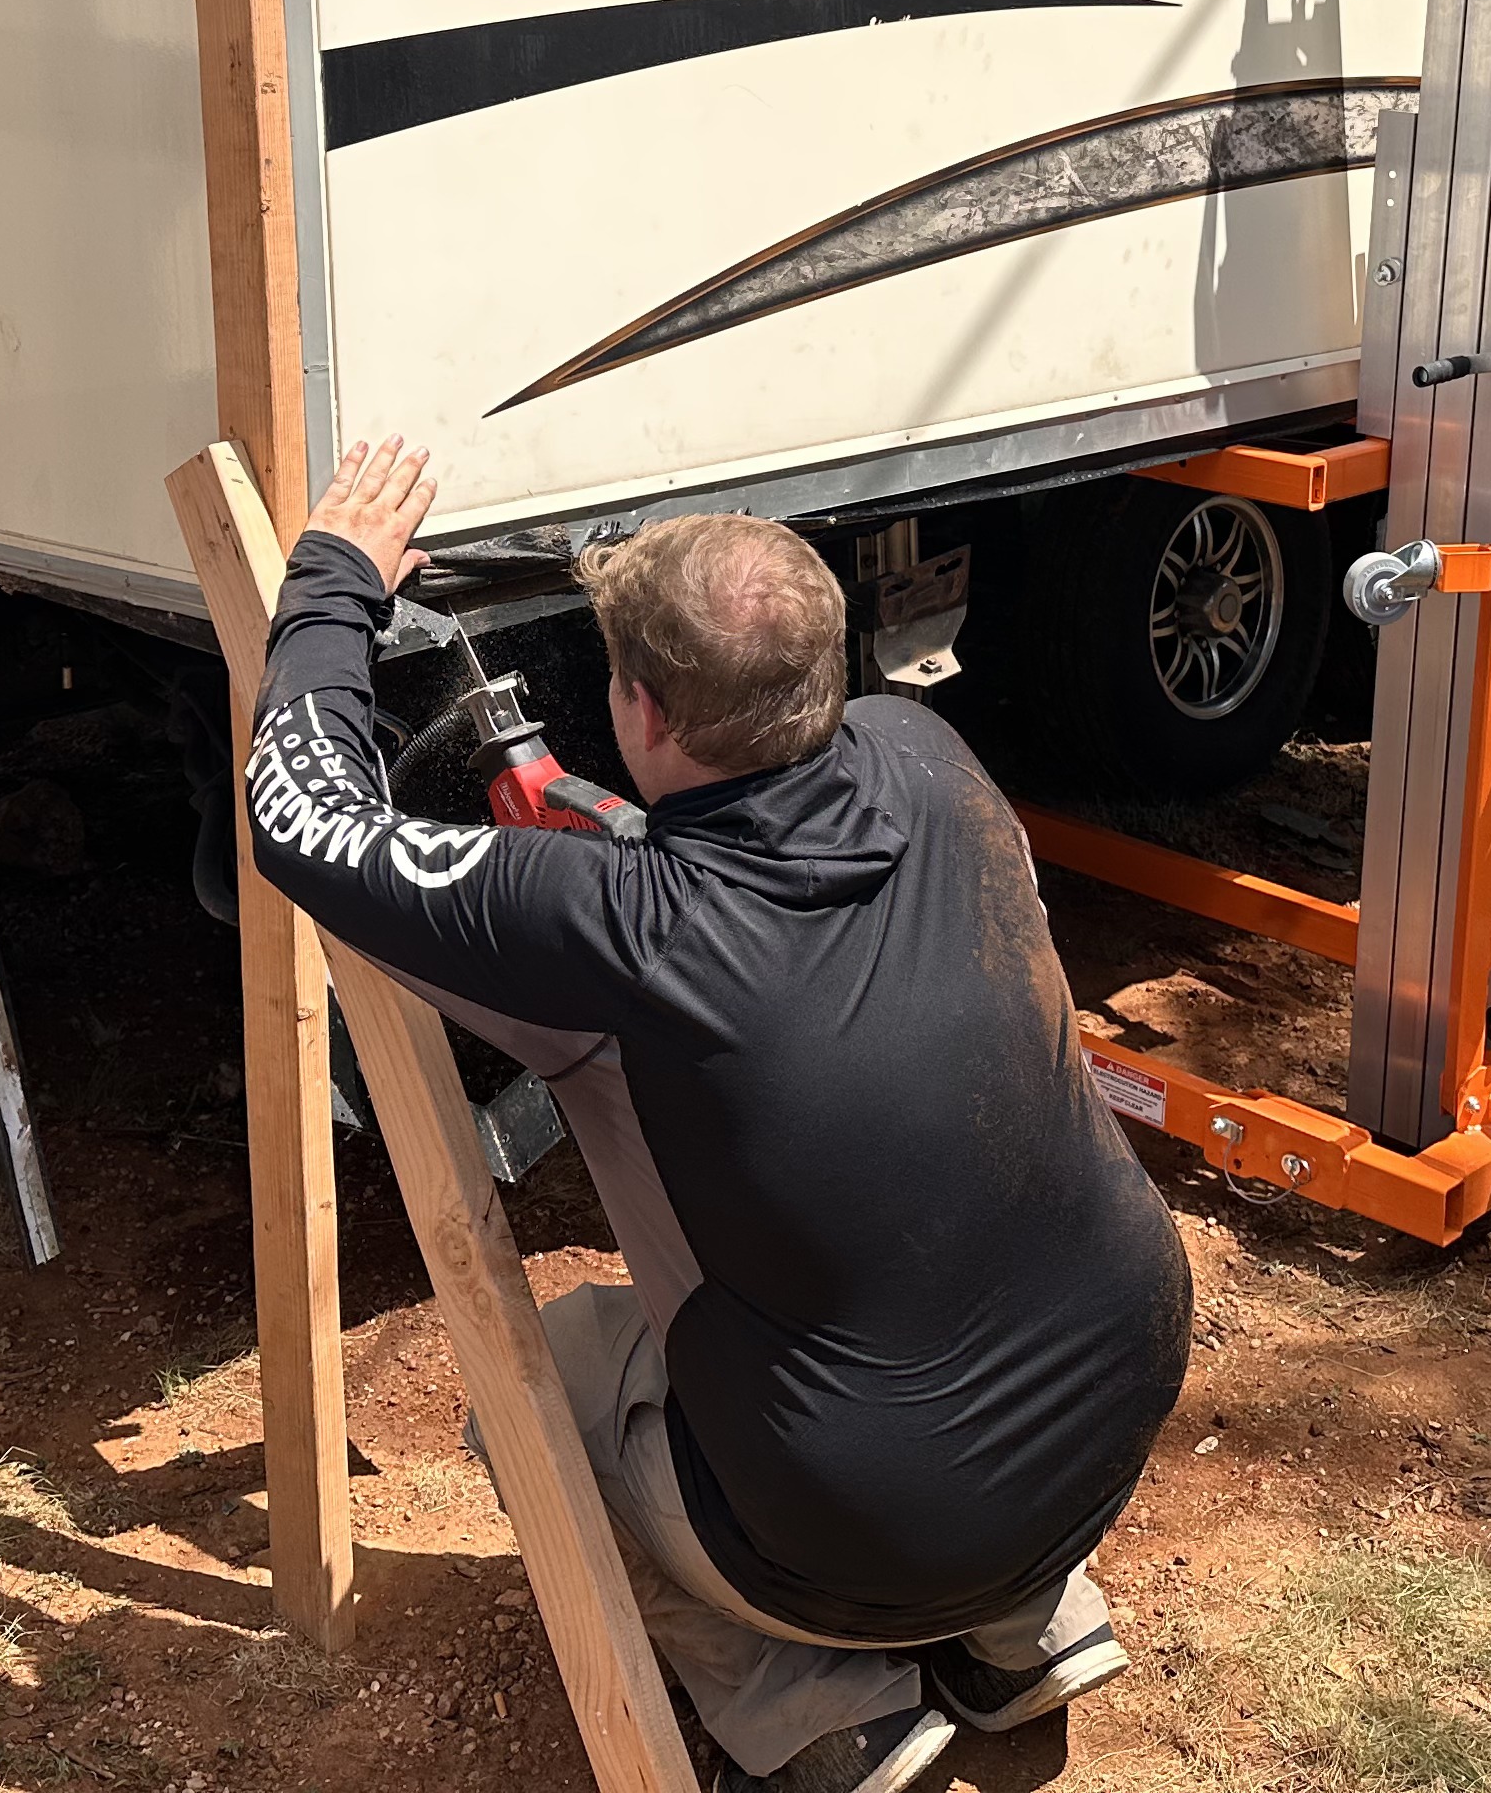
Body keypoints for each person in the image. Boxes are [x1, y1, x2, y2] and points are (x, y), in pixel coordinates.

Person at [241, 438, 1195, 1793]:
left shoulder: (619, 932)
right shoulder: (927, 757)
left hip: (852, 1531)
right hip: (1110, 1414)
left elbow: (300, 815)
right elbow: (748, 879)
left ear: (636, 710)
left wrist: (334, 582)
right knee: (924, 1253)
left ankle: (811, 1704)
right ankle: (1022, 1629)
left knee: (561, 1371)